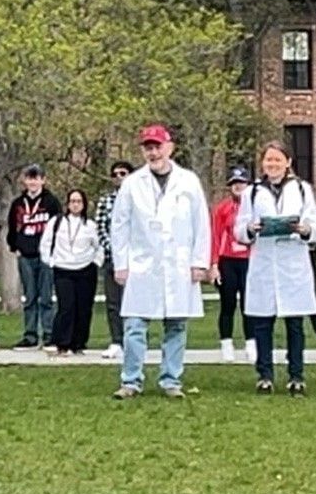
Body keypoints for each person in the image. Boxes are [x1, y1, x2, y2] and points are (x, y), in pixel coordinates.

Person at [110, 124, 211, 400]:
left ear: (170, 148)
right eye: (148, 148)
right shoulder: (132, 183)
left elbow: (201, 224)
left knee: (176, 325)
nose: (153, 153)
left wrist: (199, 261)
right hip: (142, 264)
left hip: (179, 264)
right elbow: (119, 225)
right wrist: (121, 263)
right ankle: (131, 380)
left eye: (157, 147)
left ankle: (171, 379)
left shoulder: (188, 181)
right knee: (134, 325)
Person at [234, 142, 316, 395]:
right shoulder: (252, 192)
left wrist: (305, 230)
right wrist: (250, 229)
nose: (272, 164)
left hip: (293, 262)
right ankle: (265, 375)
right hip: (264, 261)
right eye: (268, 160)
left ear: (288, 162)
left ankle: (296, 375)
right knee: (262, 323)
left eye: (277, 159)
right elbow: (239, 229)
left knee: (295, 323)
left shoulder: (302, 189)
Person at [40, 188, 102, 355]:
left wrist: (96, 262)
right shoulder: (56, 222)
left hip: (85, 270)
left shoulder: (90, 225)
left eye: (79, 201)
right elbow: (46, 243)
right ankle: (62, 342)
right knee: (66, 306)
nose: (75, 205)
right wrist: (50, 261)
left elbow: (99, 246)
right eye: (72, 201)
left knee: (83, 307)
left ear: (84, 204)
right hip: (63, 269)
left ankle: (78, 343)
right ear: (67, 204)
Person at [6, 164, 60, 349]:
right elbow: (12, 226)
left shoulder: (51, 202)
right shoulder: (18, 203)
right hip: (25, 255)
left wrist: (54, 251)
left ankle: (49, 333)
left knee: (46, 297)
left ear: (43, 180)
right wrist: (15, 247)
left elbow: (58, 227)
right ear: (25, 180)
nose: (33, 182)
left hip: (46, 256)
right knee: (29, 297)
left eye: (36, 178)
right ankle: (30, 335)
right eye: (29, 178)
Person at [208, 166, 254, 363]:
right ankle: (226, 343)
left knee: (249, 303)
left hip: (249, 259)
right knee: (227, 303)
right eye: (234, 183)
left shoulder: (255, 207)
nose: (238, 187)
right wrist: (214, 264)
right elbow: (215, 236)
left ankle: (251, 343)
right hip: (227, 260)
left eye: (241, 183)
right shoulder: (222, 209)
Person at [95, 161, 133, 360]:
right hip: (112, 259)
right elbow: (101, 229)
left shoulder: (140, 200)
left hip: (134, 259)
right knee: (113, 302)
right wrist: (116, 251)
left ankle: (133, 340)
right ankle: (116, 340)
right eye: (115, 174)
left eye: (123, 173)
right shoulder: (106, 201)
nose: (119, 177)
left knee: (133, 302)